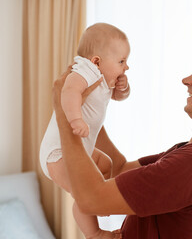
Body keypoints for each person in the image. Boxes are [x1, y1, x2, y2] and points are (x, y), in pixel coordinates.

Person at [52, 42, 192, 239]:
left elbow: (91, 200)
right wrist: (86, 110)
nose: (187, 80)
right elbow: (118, 169)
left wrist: (64, 112)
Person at [40, 23, 131, 239]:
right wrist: (75, 119)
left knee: (106, 164)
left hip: (80, 148)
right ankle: (94, 233)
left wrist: (123, 89)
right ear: (97, 61)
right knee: (84, 194)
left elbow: (118, 97)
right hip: (58, 153)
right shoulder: (84, 70)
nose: (126, 67)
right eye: (121, 61)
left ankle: (98, 203)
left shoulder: (105, 79)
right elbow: (68, 91)